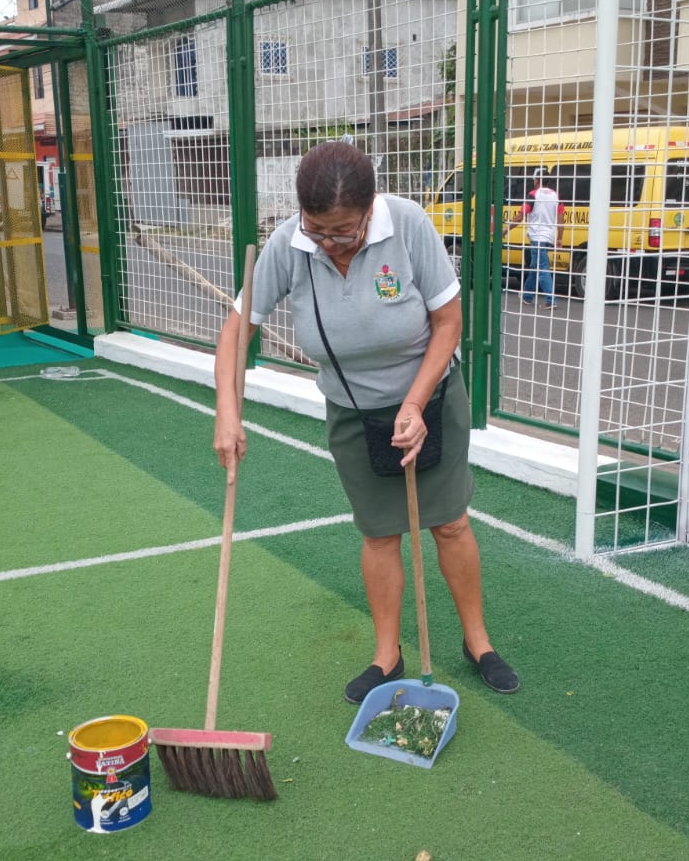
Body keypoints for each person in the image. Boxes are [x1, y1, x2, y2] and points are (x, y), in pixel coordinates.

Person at [213, 140, 520, 703]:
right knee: (379, 532)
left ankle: (478, 643)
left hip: (430, 397)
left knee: (449, 523)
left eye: (344, 231)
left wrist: (414, 405)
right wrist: (228, 416)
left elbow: (448, 323)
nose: (330, 243)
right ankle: (387, 655)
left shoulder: (408, 224)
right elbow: (236, 333)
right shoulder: (287, 244)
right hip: (353, 411)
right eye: (318, 230)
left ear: (370, 207)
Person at [518, 172, 559, 308]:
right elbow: (561, 218)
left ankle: (551, 300)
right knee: (535, 267)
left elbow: (521, 215)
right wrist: (559, 238)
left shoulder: (533, 195)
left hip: (537, 237)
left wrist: (506, 229)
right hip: (549, 237)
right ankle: (527, 296)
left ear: (537, 181)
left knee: (542, 268)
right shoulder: (555, 195)